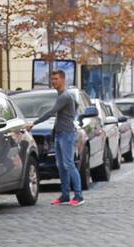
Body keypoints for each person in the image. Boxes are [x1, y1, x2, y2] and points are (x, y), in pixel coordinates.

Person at [27, 69, 84, 206]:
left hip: (67, 134)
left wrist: (33, 123)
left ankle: (78, 196)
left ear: (63, 80)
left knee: (69, 164)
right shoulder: (62, 95)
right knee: (61, 166)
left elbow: (51, 112)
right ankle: (65, 195)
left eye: (56, 79)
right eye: (52, 79)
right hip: (59, 134)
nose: (54, 81)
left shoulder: (65, 96)